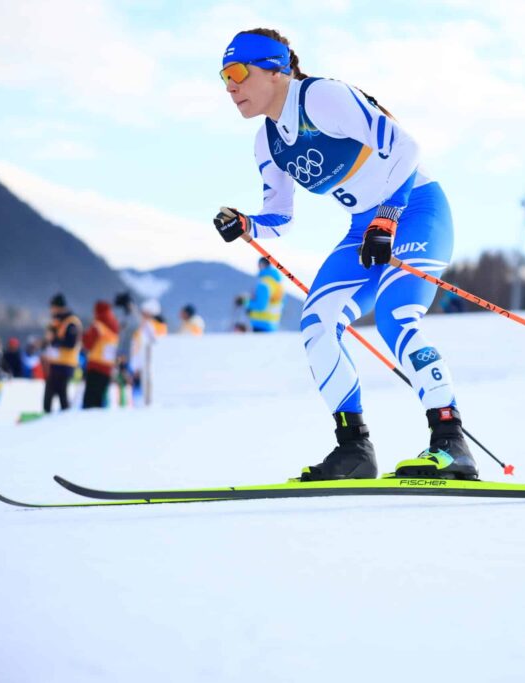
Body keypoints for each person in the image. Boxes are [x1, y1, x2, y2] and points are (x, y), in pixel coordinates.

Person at [213, 28, 476, 481]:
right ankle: (354, 450)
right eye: (224, 77)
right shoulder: (267, 142)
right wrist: (247, 225)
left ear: (276, 70)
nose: (230, 86)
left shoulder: (322, 98)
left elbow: (407, 147)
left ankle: (450, 443)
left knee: (396, 316)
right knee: (318, 323)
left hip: (415, 209)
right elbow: (280, 216)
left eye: (238, 72)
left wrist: (388, 217)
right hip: (365, 228)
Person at [43, 292, 81, 412]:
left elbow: (70, 343)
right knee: (50, 396)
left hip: (65, 364)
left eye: (53, 307)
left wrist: (54, 339)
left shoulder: (71, 322)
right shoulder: (56, 321)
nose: (51, 310)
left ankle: (64, 420)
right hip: (55, 363)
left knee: (61, 395)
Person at [81, 300, 120, 409]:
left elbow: (88, 344)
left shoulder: (98, 326)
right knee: (99, 400)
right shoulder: (115, 326)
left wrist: (83, 336)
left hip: (95, 366)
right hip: (107, 367)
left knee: (89, 401)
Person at [128, 299, 167, 403]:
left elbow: (151, 345)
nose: (142, 314)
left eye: (144, 312)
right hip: (138, 365)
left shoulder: (156, 326)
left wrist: (138, 366)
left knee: (142, 395)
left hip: (146, 366)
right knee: (136, 395)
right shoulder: (145, 326)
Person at [245, 257, 284, 332]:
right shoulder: (277, 284)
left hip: (260, 323)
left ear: (261, 265)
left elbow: (261, 306)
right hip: (272, 324)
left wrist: (245, 302)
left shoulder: (264, 284)